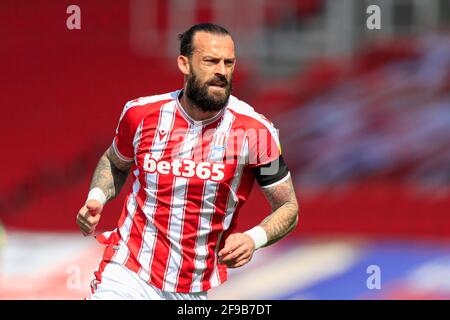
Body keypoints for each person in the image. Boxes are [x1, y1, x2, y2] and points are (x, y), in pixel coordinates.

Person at [76, 23, 299, 300]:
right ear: (184, 64)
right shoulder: (140, 115)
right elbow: (114, 160)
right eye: (210, 61)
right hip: (128, 271)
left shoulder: (255, 132)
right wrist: (97, 197)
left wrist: (254, 239)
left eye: (228, 63)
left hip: (192, 288)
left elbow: (288, 206)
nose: (221, 71)